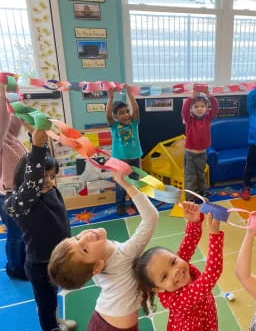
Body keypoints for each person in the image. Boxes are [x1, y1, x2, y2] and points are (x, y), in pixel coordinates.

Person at [48, 171, 158, 331]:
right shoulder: (125, 254)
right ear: (97, 267)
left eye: (77, 238)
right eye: (84, 249)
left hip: (102, 319)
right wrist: (127, 185)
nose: (85, 236)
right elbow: (151, 217)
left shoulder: (95, 266)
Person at [4, 129, 76, 331]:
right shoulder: (17, 204)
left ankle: (57, 322)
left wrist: (39, 138)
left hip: (57, 259)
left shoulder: (51, 190)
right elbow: (31, 185)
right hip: (40, 265)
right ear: (26, 177)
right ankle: (51, 328)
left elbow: (40, 168)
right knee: (46, 305)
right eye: (43, 177)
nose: (49, 181)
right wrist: (36, 148)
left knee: (53, 296)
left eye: (52, 176)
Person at [133, 202, 223, 331]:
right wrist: (215, 236)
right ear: (158, 289)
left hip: (206, 318)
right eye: (164, 276)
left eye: (173, 262)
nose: (175, 271)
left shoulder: (178, 268)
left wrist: (194, 221)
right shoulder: (180, 300)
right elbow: (213, 272)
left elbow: (190, 240)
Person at [0, 82, 27, 280]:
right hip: (7, 194)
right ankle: (15, 267)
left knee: (22, 232)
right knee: (15, 234)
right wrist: (2, 94)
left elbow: (12, 122)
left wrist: (17, 99)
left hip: (20, 191)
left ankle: (23, 262)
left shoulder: (10, 138)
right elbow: (3, 119)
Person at [106, 87, 143, 215]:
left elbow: (136, 109)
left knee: (135, 183)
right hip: (120, 161)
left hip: (134, 159)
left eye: (127, 111)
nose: (126, 114)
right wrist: (110, 98)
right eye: (122, 113)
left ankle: (135, 203)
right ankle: (120, 205)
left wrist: (129, 93)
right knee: (120, 185)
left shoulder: (133, 123)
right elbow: (108, 115)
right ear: (116, 116)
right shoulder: (115, 126)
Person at [181, 90, 218, 200]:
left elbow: (215, 107)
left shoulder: (207, 118)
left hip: (202, 153)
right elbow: (184, 110)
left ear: (207, 108)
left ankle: (203, 192)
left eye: (202, 106)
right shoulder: (189, 120)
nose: (199, 109)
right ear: (192, 109)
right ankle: (189, 198)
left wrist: (210, 96)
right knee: (190, 177)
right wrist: (191, 97)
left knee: (201, 174)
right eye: (196, 106)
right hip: (190, 154)